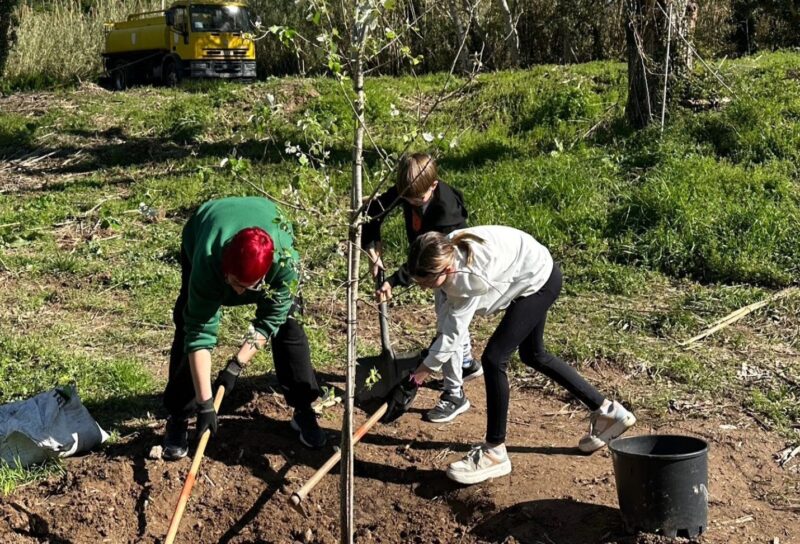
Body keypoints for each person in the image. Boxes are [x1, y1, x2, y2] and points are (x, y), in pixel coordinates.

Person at [405, 226, 636, 484]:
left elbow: (453, 334)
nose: (423, 289)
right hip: (531, 269)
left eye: (426, 283)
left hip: (539, 281)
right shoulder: (443, 248)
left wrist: (421, 373)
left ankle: (494, 451)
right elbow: (446, 320)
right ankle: (608, 412)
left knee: (494, 358)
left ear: (447, 269)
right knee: (534, 354)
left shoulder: (466, 279)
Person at [161, 196, 326, 460]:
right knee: (187, 323)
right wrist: (205, 404)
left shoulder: (285, 264)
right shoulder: (208, 259)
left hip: (270, 227)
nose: (239, 293)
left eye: (248, 287)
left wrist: (236, 365)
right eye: (235, 283)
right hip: (206, 226)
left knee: (290, 325)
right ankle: (179, 415)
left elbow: (269, 320)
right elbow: (199, 332)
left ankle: (303, 408)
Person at [363, 152, 481, 423]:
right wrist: (373, 250)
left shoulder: (446, 213)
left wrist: (394, 280)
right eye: (408, 199)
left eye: (418, 199)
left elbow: (428, 261)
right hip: (428, 259)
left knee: (448, 325)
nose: (412, 203)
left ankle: (455, 393)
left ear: (434, 185)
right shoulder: (409, 188)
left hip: (450, 267)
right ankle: (466, 364)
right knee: (449, 320)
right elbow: (373, 212)